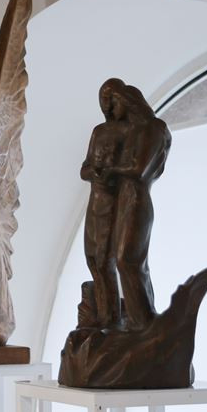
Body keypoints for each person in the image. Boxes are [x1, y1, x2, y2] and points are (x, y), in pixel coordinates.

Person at [103, 84, 172, 329]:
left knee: (128, 260)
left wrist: (109, 168)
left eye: (113, 104)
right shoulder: (133, 132)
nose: (111, 112)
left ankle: (144, 322)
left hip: (137, 200)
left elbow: (139, 169)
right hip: (125, 199)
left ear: (125, 99)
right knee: (127, 262)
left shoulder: (153, 127)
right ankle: (139, 320)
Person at [81, 78, 129, 328]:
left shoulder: (128, 132)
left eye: (111, 99)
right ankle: (103, 314)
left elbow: (132, 169)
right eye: (104, 99)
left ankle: (111, 319)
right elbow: (84, 168)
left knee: (104, 259)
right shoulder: (99, 132)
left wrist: (111, 174)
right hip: (95, 201)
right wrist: (95, 172)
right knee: (92, 258)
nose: (107, 105)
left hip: (112, 202)